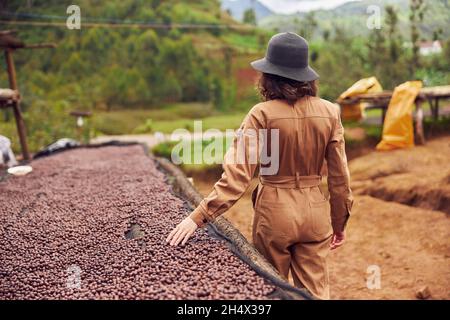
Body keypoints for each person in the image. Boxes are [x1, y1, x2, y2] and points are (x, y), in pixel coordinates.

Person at [166, 32, 353, 300]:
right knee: (315, 293)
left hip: (274, 214)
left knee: (273, 290)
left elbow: (236, 179)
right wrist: (339, 221)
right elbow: (340, 177)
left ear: (269, 75)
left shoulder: (261, 114)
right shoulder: (329, 112)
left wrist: (198, 217)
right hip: (316, 213)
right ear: (306, 75)